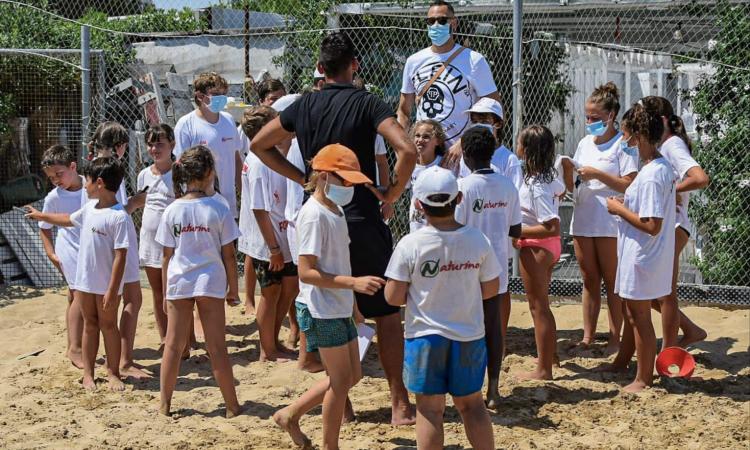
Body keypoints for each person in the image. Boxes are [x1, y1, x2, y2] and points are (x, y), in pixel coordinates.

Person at [250, 31, 418, 425]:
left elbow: (259, 144)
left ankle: (340, 403)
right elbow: (407, 149)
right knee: (386, 311)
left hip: (321, 213)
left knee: (330, 305)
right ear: (354, 66)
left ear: (321, 69)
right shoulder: (368, 102)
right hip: (360, 214)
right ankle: (399, 402)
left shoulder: (304, 105)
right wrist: (391, 191)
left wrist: (302, 177)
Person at [273, 144, 384, 449]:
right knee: (339, 381)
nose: (349, 187)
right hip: (321, 308)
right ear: (323, 176)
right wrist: (355, 284)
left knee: (352, 376)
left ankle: (290, 414)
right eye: (344, 180)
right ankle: (329, 445)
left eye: (351, 181)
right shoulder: (312, 215)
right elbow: (306, 272)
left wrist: (355, 306)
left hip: (339, 305)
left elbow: (338, 262)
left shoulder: (334, 209)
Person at [385, 166, 499, 450]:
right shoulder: (477, 239)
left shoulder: (410, 244)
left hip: (425, 337)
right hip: (469, 335)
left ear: (418, 204)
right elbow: (491, 289)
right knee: (473, 406)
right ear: (459, 199)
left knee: (429, 410)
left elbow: (393, 297)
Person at [27, 157, 133, 391]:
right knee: (90, 326)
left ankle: (113, 373)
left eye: (89, 181)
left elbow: (121, 256)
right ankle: (89, 375)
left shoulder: (119, 216)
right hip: (85, 282)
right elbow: (66, 220)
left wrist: (112, 289)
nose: (85, 185)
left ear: (100, 183)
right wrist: (41, 216)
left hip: (106, 285)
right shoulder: (89, 209)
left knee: (108, 326)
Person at [156, 145, 242, 417]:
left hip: (179, 282)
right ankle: (231, 406)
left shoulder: (172, 210)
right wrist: (233, 289)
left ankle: (165, 405)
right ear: (208, 173)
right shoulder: (219, 207)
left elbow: (166, 256)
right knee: (217, 347)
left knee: (172, 345)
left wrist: (163, 294)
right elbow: (229, 254)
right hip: (210, 281)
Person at [604, 104, 676, 393]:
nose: (625, 142)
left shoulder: (651, 174)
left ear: (640, 136)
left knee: (639, 316)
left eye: (627, 136)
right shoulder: (656, 168)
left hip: (644, 253)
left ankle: (643, 377)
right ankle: (629, 364)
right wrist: (625, 205)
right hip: (643, 251)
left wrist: (618, 209)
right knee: (634, 313)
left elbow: (651, 224)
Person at [561, 83, 637, 355]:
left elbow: (629, 183)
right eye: (587, 116)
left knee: (613, 281)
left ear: (611, 115)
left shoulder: (623, 145)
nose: (589, 122)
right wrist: (568, 174)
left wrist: (597, 174)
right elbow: (576, 184)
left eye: (595, 117)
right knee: (589, 280)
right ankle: (588, 337)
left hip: (609, 220)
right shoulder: (584, 143)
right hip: (583, 217)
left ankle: (616, 338)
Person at [454, 126, 522, 408]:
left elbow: (454, 227)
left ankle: (467, 387)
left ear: (466, 155)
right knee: (493, 327)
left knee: (464, 328)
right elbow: (516, 229)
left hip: (466, 266)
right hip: (496, 266)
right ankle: (493, 388)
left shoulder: (463, 187)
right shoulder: (507, 185)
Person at [641, 96, 708, 349]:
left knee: (664, 293)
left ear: (659, 121)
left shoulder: (672, 146)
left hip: (674, 226)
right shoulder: (662, 146)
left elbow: (700, 178)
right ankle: (690, 330)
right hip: (669, 226)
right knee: (649, 292)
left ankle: (670, 351)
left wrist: (671, 189)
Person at [398, 0, 500, 164]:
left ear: (454, 23)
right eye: (431, 21)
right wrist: (404, 148)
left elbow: (493, 106)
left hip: (463, 156)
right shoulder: (413, 61)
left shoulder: (474, 60)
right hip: (424, 158)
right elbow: (403, 111)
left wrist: (464, 141)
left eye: (442, 20)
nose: (436, 25)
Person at [88, 122, 149, 379]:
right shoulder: (107, 171)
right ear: (121, 146)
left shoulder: (96, 169)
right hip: (116, 246)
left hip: (109, 247)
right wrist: (134, 204)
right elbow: (106, 211)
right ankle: (123, 360)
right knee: (131, 301)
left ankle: (120, 359)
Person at [239, 105, 297, 362]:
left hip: (281, 237)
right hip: (268, 241)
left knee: (290, 287)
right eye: (275, 124)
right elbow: (260, 210)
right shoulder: (259, 163)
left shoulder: (273, 156)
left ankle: (273, 341)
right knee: (271, 293)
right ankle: (267, 349)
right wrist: (273, 248)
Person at [515, 125, 569, 381]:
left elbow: (551, 225)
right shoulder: (548, 176)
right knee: (542, 306)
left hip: (537, 247)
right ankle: (550, 358)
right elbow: (562, 189)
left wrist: (517, 230)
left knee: (539, 308)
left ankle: (543, 369)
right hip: (547, 247)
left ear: (526, 150)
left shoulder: (536, 184)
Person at [37, 145, 86, 369]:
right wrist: (51, 253)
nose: (56, 180)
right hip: (69, 249)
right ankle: (75, 348)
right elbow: (44, 227)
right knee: (79, 295)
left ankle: (75, 343)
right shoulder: (53, 198)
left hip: (91, 248)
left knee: (74, 295)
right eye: (51, 177)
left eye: (59, 174)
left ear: (72, 166)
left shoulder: (91, 185)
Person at [173, 72, 242, 219]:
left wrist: (244, 193)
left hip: (228, 204)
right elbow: (181, 166)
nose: (222, 98)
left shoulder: (229, 121)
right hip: (200, 205)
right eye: (216, 94)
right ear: (200, 96)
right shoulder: (186, 124)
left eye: (224, 94)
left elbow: (236, 159)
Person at [135, 124, 176, 349]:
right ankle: (164, 337)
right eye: (151, 144)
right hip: (150, 243)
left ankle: (185, 338)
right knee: (158, 291)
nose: (154, 149)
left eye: (159, 143)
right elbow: (142, 204)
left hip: (174, 245)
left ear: (172, 144)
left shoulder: (179, 173)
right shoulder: (144, 175)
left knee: (177, 293)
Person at [459, 98, 523, 188]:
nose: (478, 125)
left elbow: (515, 194)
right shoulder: (466, 156)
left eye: (484, 121)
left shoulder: (509, 160)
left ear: (499, 124)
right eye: (474, 121)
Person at [408, 119, 446, 232]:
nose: (420, 140)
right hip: (416, 226)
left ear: (437, 141)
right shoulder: (410, 165)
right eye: (417, 135)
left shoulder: (444, 164)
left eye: (426, 137)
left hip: (438, 228)